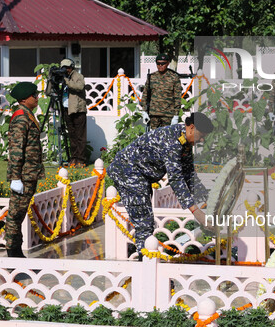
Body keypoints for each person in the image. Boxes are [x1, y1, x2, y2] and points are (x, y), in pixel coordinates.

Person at [107, 112, 213, 257]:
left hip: (141, 176)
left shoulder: (185, 142)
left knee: (145, 220)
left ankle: (142, 256)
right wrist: (197, 212)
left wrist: (206, 199)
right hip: (128, 171)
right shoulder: (172, 141)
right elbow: (176, 178)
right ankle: (145, 266)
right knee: (144, 222)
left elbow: (188, 174)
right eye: (201, 136)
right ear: (192, 128)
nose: (201, 140)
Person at [6, 82, 45, 258]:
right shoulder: (22, 117)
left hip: (29, 172)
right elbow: (16, 148)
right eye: (33, 95)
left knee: (19, 213)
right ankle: (13, 250)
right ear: (24, 99)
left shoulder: (28, 115)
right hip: (23, 174)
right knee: (16, 213)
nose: (37, 98)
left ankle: (16, 249)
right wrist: (15, 177)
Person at [140, 54, 183, 129]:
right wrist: (144, 112)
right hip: (153, 114)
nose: (160, 65)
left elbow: (177, 98)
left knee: (167, 138)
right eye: (158, 63)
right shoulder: (151, 77)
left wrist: (176, 116)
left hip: (168, 115)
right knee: (154, 138)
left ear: (168, 63)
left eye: (163, 63)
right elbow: (145, 95)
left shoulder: (174, 77)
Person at [60, 58, 87, 167]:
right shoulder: (62, 77)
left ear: (72, 67)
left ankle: (81, 160)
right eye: (64, 68)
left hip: (78, 109)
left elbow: (79, 87)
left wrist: (66, 81)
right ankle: (74, 158)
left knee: (80, 136)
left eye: (68, 67)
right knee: (72, 135)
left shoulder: (78, 76)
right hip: (66, 109)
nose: (66, 70)